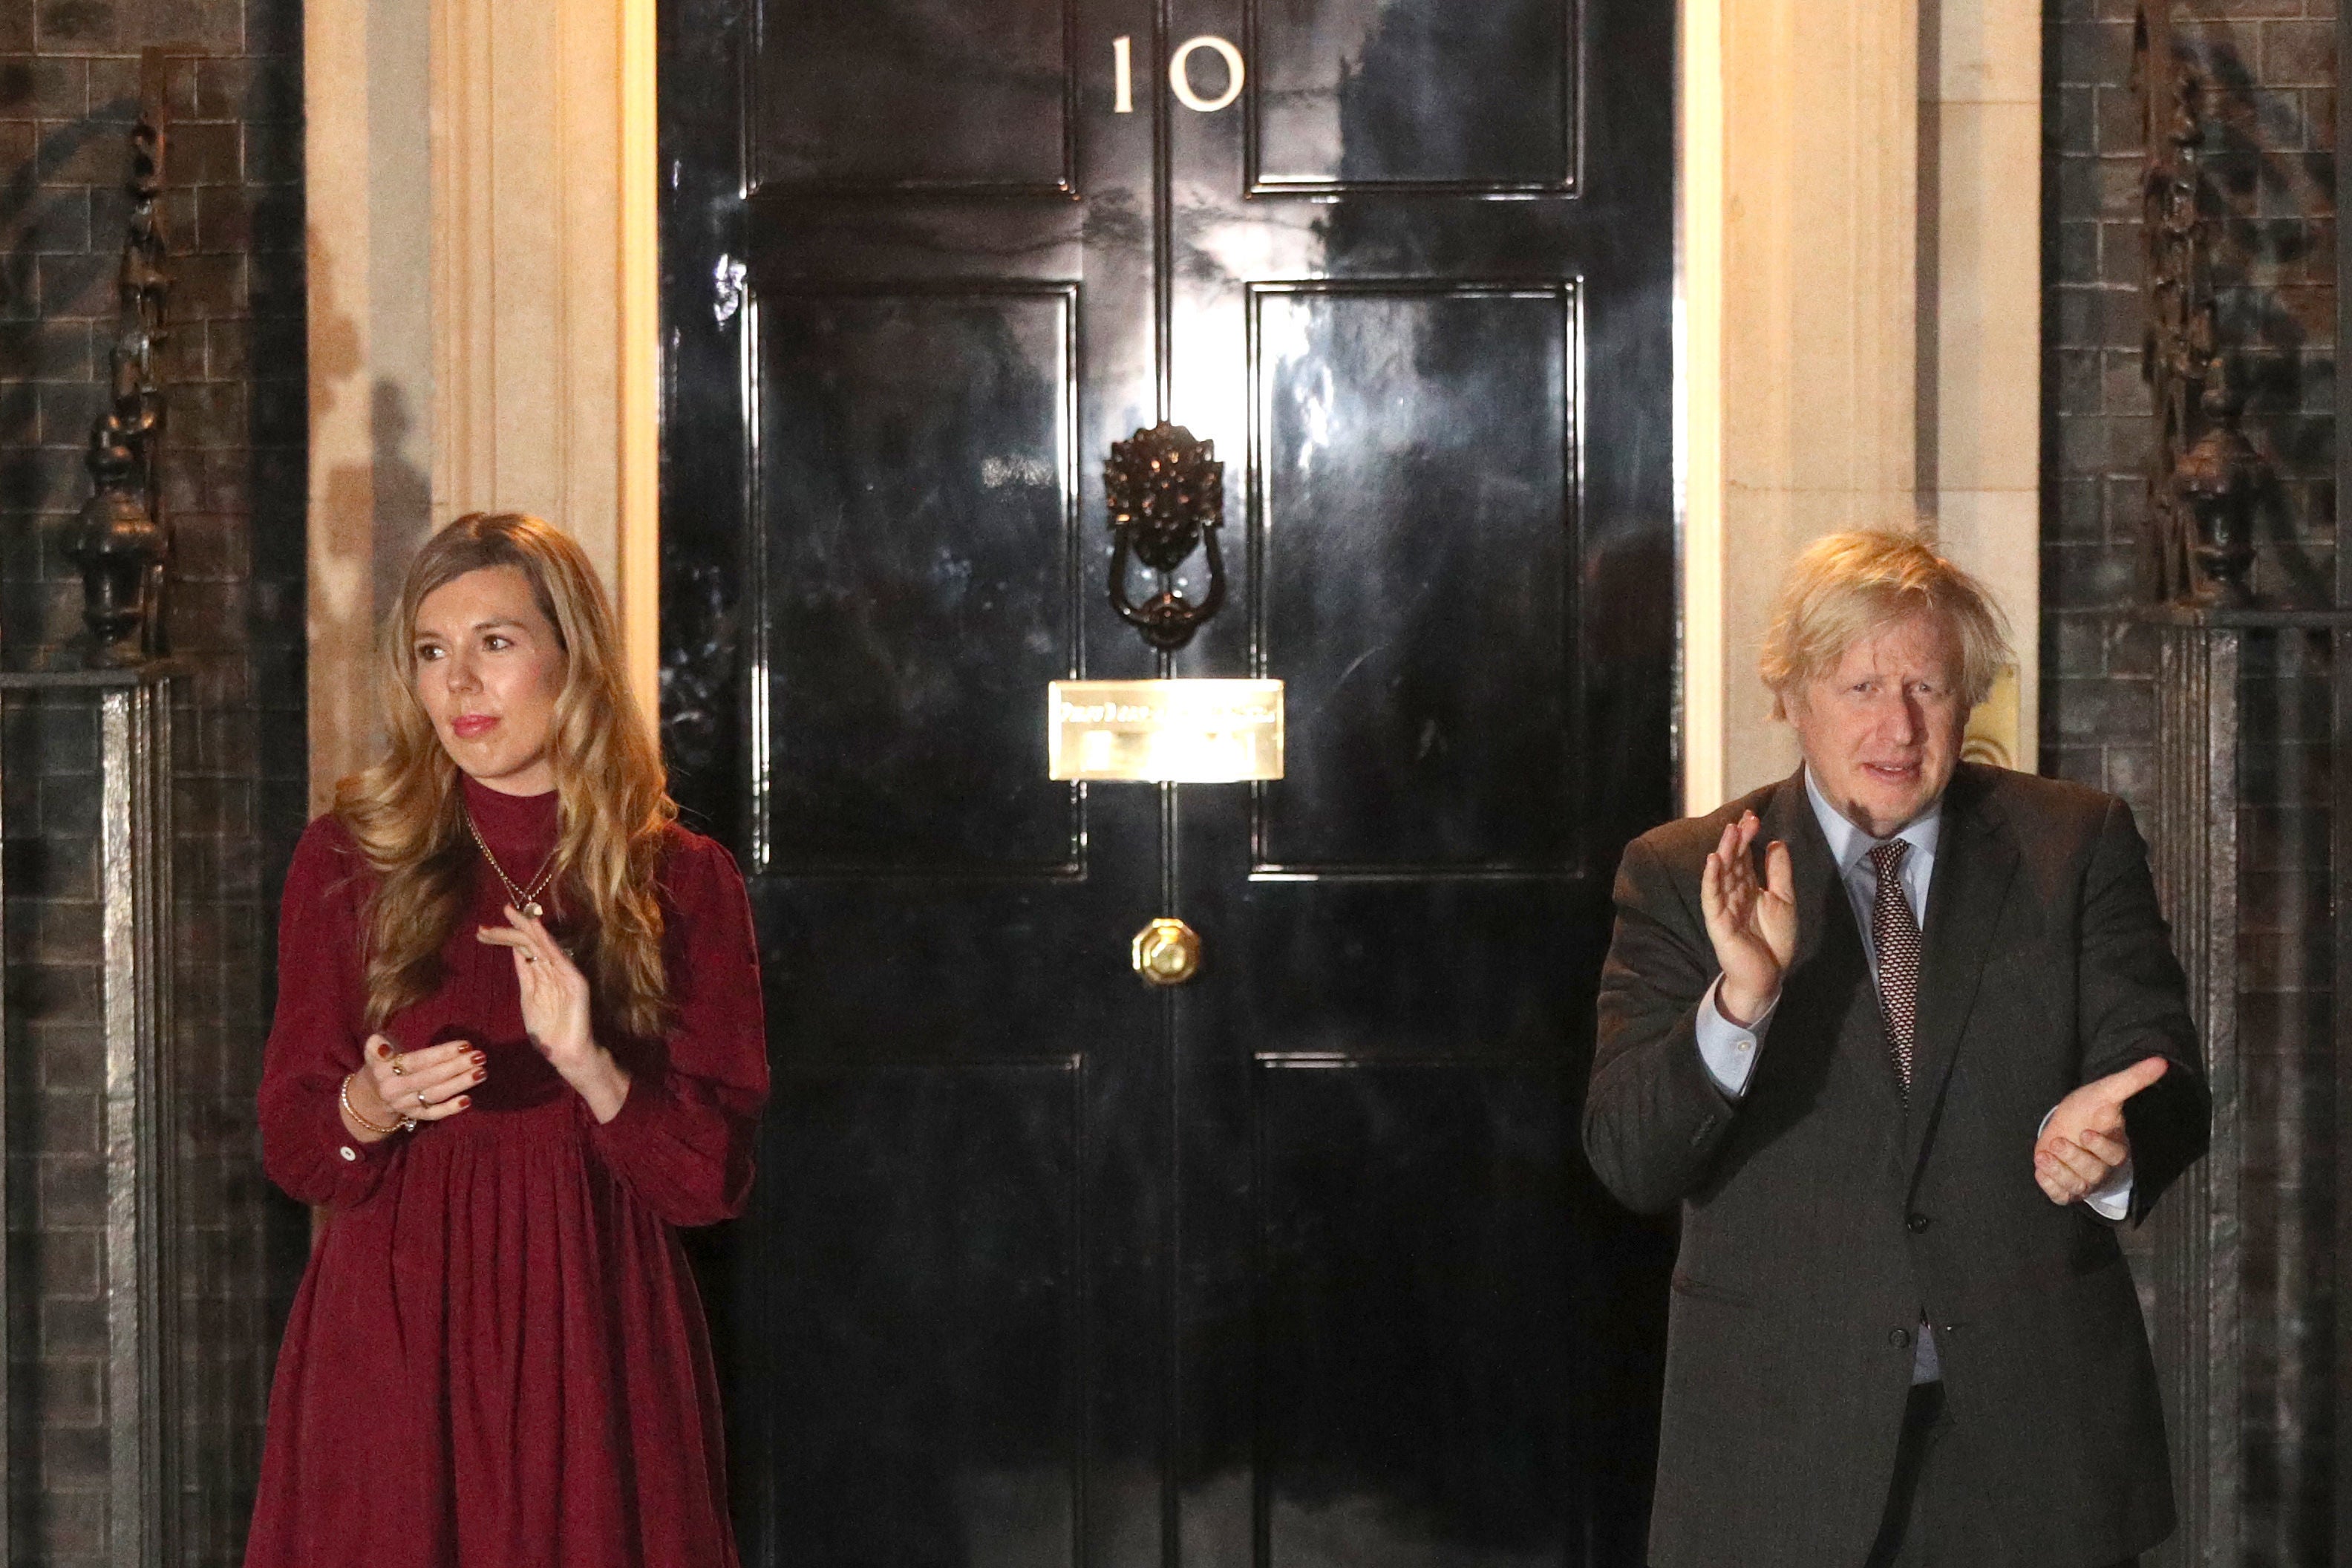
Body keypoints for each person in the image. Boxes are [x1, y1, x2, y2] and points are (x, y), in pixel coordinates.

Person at [1584, 530, 2207, 1568]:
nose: (1897, 724)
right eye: (1861, 684)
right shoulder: (1688, 872)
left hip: (2034, 1449)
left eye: (1927, 684)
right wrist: (1741, 1002)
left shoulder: (2075, 841)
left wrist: (2120, 1141)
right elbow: (1630, 1158)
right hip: (1778, 1457)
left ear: (1969, 701)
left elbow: (2164, 1075)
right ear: (1791, 698)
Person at [246, 512, 768, 1567]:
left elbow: (711, 1181)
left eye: (496, 643)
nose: (459, 685)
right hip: (395, 1326)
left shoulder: (682, 877)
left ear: (569, 657)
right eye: (433, 652)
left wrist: (592, 1068)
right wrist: (371, 1104)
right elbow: (297, 1147)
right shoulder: (350, 860)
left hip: (597, 1323)